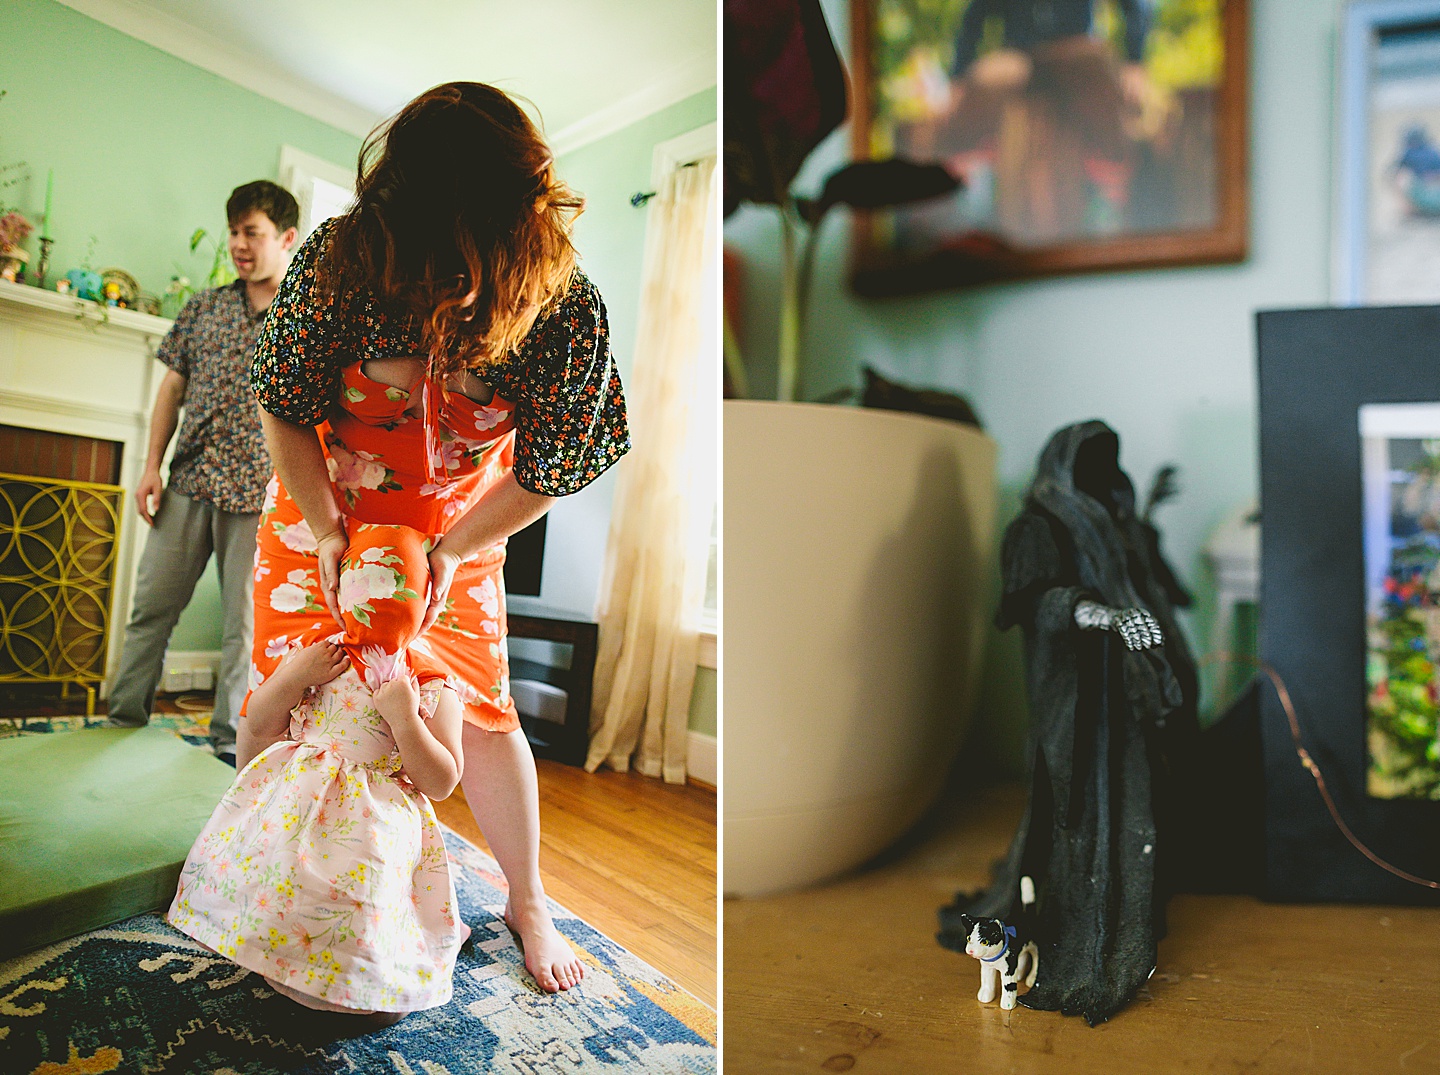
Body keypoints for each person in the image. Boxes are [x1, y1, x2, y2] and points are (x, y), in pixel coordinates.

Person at [247, 82, 630, 994]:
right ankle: (257, 867)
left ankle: (527, 895)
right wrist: (328, 528)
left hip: (462, 524)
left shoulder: (563, 302)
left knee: (485, 712)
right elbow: (284, 401)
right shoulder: (343, 257)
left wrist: (454, 549)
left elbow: (559, 459)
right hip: (321, 508)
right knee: (292, 691)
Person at [938, 421, 1199, 1025]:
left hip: (1128, 688)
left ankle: (1139, 894)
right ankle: (1082, 916)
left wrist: (1150, 508)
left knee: (1147, 791)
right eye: (1091, 465)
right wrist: (1105, 617)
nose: (1104, 479)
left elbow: (1146, 571)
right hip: (1083, 699)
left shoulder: (1112, 520)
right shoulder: (1037, 528)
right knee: (1086, 802)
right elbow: (1034, 602)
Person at [168, 523, 467, 1021]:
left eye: (396, 586)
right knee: (286, 873)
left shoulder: (430, 682)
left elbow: (441, 782)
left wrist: (406, 719)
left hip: (375, 821)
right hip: (296, 799)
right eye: (366, 582)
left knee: (356, 891)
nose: (379, 598)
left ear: (425, 598)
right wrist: (294, 676)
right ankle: (280, 953)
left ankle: (363, 978)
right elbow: (260, 721)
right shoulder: (319, 652)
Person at [107, 181, 300, 763]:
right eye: (235, 232)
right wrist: (150, 468)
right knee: (151, 607)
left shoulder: (305, 319)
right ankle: (121, 720)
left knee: (244, 628)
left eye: (253, 233)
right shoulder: (204, 308)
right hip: (189, 481)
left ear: (287, 239)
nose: (240, 244)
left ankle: (226, 745)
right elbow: (172, 387)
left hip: (260, 496)